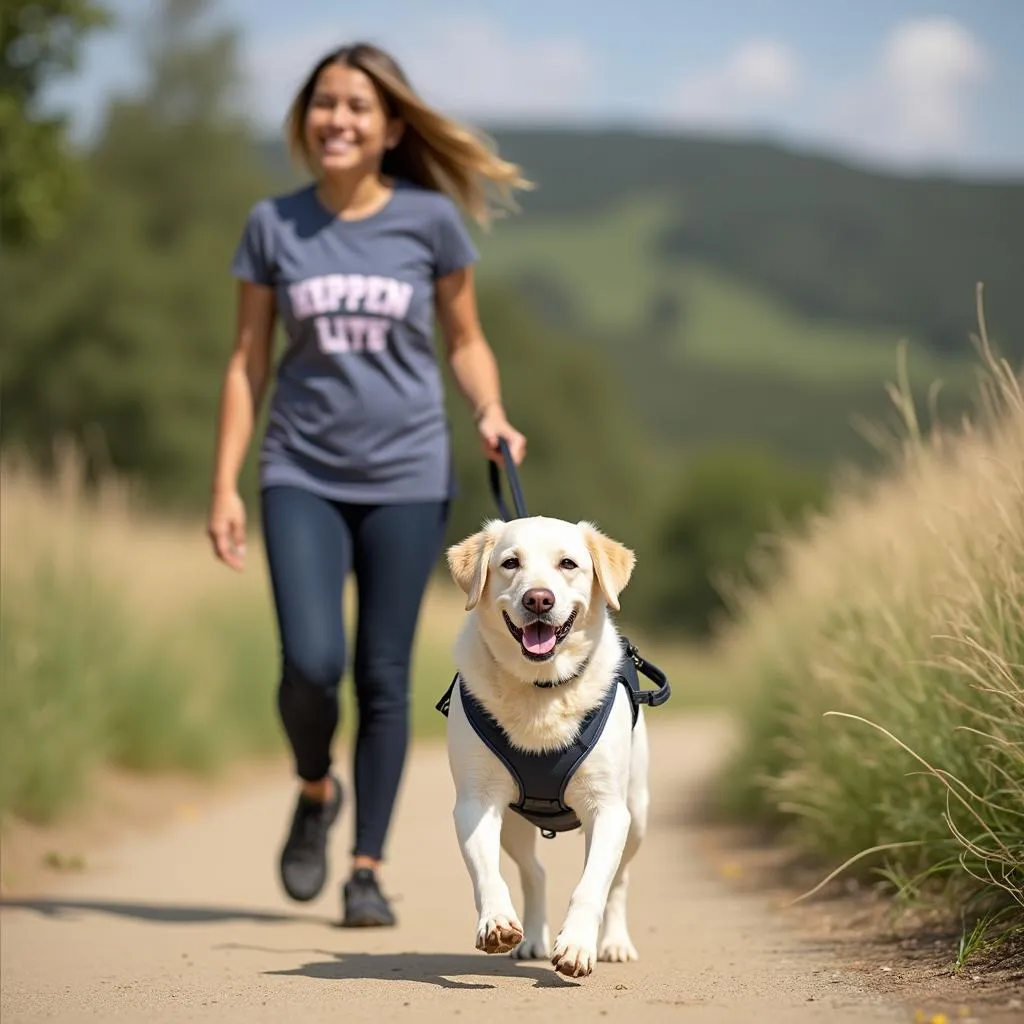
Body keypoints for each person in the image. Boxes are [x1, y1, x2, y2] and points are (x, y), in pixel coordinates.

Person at [206, 41, 529, 927]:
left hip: (409, 475)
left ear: (390, 128)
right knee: (310, 666)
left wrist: (490, 410)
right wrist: (225, 484)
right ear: (305, 120)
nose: (337, 119)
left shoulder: (427, 222)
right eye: (323, 103)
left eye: (357, 107)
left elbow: (464, 337)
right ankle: (317, 790)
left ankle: (365, 869)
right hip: (299, 470)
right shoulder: (274, 225)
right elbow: (245, 362)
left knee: (382, 675)